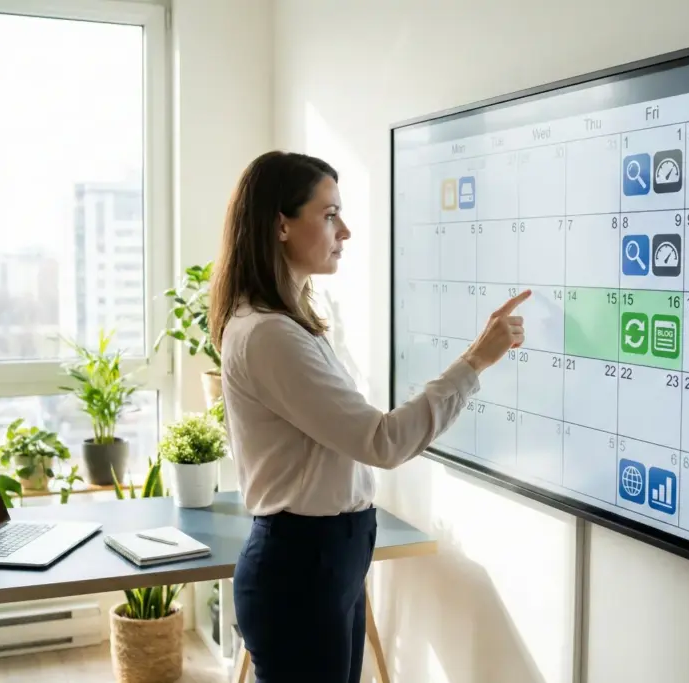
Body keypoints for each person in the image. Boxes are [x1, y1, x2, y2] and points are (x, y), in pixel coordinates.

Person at [208, 150, 531, 682]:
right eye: (330, 214)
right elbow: (382, 441)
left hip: (327, 557)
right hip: (303, 566)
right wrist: (475, 361)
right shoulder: (269, 334)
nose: (346, 231)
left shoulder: (288, 324)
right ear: (281, 225)